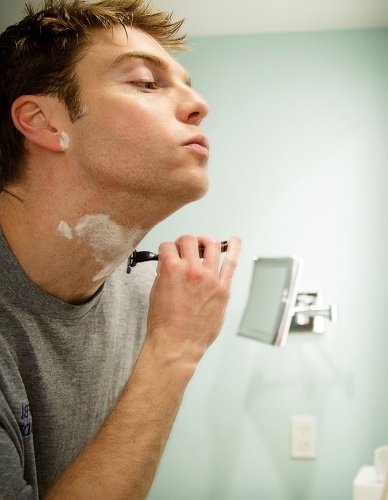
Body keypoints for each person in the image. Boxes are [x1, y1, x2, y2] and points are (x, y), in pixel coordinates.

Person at [0, 0, 241, 498]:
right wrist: (173, 351)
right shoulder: (166, 326)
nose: (199, 104)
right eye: (146, 83)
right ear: (43, 121)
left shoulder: (142, 297)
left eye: (187, 84)